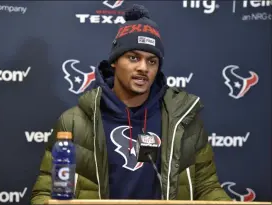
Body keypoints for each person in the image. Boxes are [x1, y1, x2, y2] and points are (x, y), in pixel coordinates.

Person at [31, 4, 231, 204]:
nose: (143, 68)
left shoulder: (184, 120)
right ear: (114, 62)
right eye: (133, 58)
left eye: (152, 61)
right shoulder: (74, 122)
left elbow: (206, 186)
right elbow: (45, 193)